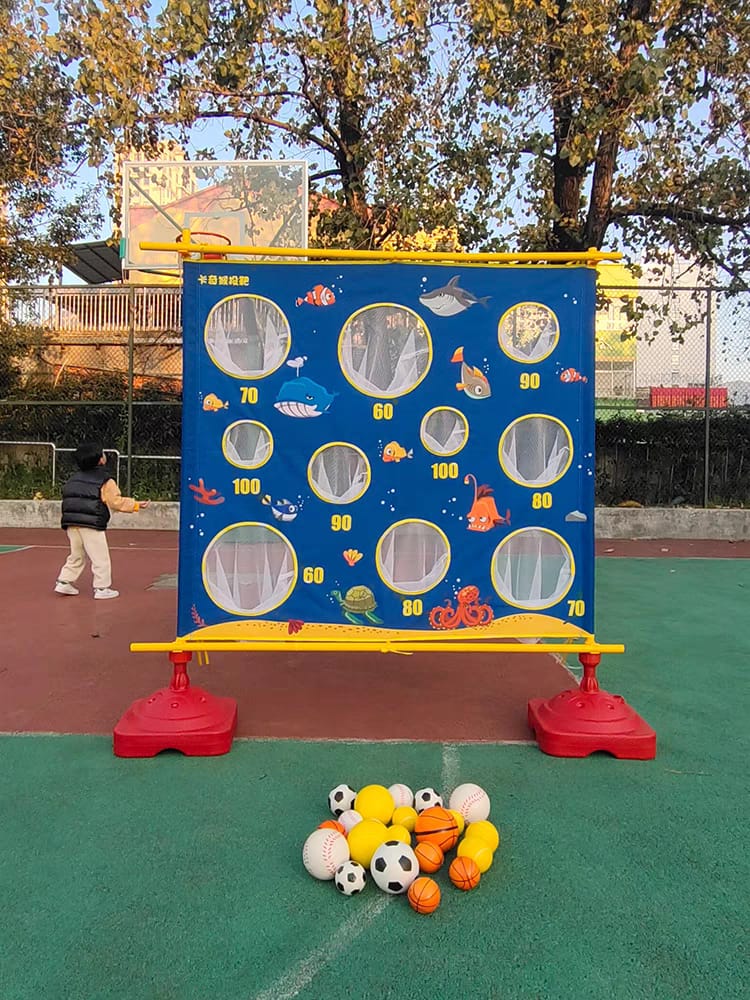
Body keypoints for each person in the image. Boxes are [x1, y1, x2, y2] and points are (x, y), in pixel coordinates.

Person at [54, 441, 149, 599]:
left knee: (76, 554)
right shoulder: (105, 480)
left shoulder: (73, 479)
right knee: (100, 557)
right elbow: (115, 502)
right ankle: (102, 588)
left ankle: (64, 581)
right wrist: (135, 505)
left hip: (71, 523)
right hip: (92, 524)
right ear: (100, 460)